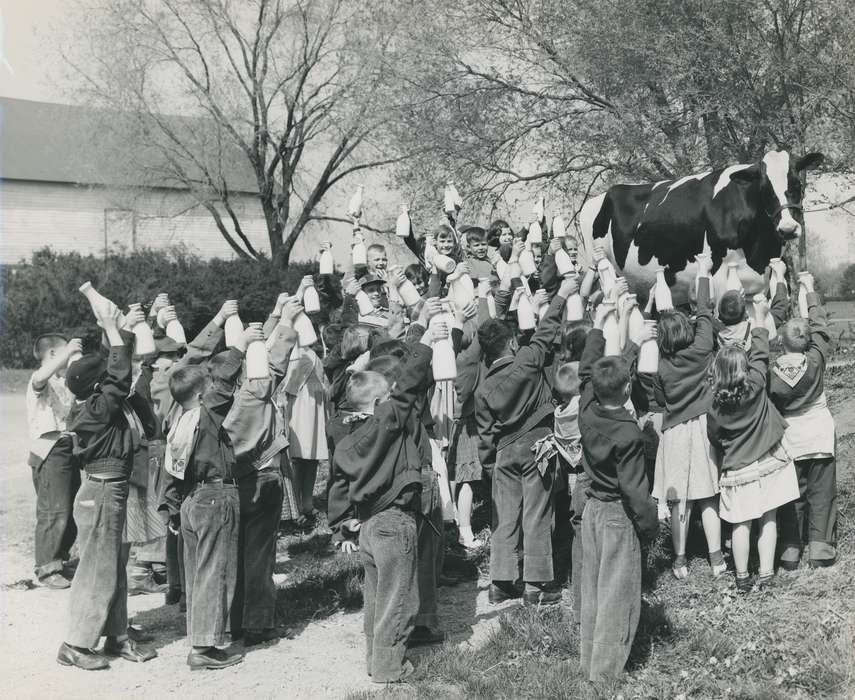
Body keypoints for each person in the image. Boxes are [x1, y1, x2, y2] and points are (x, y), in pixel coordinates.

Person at [327, 300, 445, 683]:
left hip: (367, 526)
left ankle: (372, 657)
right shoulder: (385, 423)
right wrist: (423, 337)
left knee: (375, 598)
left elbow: (338, 484)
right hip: (396, 522)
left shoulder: (344, 436)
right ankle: (390, 667)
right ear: (379, 405)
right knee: (400, 599)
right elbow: (409, 382)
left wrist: (342, 523)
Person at [58, 303, 157, 670]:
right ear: (96, 386)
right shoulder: (97, 409)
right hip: (101, 492)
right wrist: (113, 333)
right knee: (97, 569)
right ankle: (75, 643)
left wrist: (122, 329)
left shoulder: (96, 403)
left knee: (114, 566)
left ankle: (116, 636)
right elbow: (117, 377)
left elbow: (116, 373)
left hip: (111, 491)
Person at [160, 326, 261, 670]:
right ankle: (203, 648)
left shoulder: (179, 421)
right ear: (202, 395)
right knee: (215, 572)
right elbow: (221, 382)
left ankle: (202, 637)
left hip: (191, 500)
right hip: (216, 495)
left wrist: (171, 508)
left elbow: (171, 474)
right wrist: (241, 346)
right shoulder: (205, 414)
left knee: (198, 573)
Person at [475, 274, 578, 606]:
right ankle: (535, 585)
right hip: (537, 447)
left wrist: (491, 465)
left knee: (505, 518)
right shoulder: (527, 361)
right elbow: (547, 331)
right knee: (536, 514)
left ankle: (501, 582)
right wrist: (561, 294)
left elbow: (486, 433)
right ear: (510, 344)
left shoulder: (483, 388)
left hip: (504, 454)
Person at [577, 303, 658, 681]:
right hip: (617, 515)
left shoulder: (586, 409)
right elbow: (635, 489)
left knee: (593, 589)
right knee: (617, 595)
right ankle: (606, 674)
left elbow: (587, 369)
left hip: (591, 508)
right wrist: (649, 524)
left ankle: (589, 660)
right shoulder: (628, 433)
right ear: (628, 388)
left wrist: (598, 326)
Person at [707, 298, 799, 593]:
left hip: (738, 468)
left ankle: (743, 577)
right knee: (769, 518)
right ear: (745, 369)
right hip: (769, 461)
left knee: (741, 524)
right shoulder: (757, 382)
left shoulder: (715, 407)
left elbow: (715, 437)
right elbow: (761, 349)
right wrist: (759, 317)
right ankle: (767, 573)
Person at [225, 297, 302, 646]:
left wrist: (261, 330)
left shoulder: (226, 396)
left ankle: (233, 619)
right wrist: (285, 322)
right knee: (259, 555)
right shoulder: (256, 394)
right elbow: (275, 366)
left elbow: (260, 365)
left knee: (236, 554)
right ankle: (258, 622)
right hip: (262, 477)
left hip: (233, 479)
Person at [648, 260, 724, 578]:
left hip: (675, 432)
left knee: (679, 499)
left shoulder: (661, 366)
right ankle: (717, 559)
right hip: (705, 428)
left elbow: (660, 402)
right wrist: (703, 273)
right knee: (708, 496)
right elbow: (705, 310)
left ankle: (679, 560)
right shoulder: (703, 347)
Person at [769, 272, 837, 569]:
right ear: (807, 343)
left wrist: (778, 282)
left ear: (780, 343)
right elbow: (821, 328)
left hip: (790, 437)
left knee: (791, 493)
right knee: (822, 491)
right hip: (819, 432)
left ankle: (790, 547)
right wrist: (809, 290)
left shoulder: (771, 374)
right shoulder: (815, 360)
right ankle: (820, 546)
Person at [26, 333, 80, 589]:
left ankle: (61, 559)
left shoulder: (62, 381)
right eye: (63, 353)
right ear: (51, 356)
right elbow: (39, 378)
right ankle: (47, 567)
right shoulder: (40, 378)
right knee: (53, 510)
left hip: (66, 447)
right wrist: (68, 352)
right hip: (49, 450)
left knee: (69, 509)